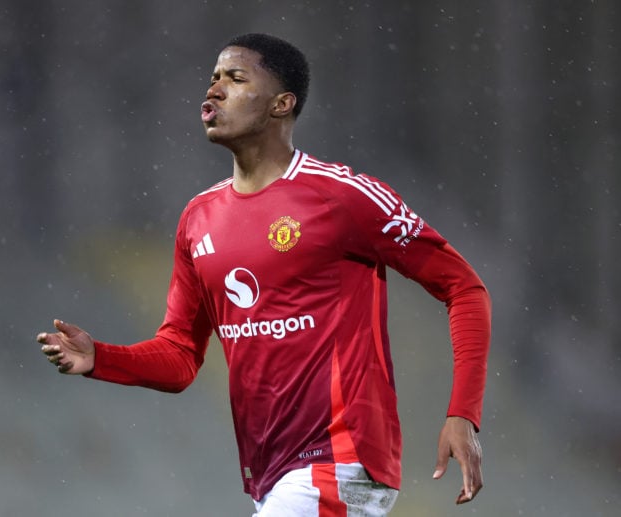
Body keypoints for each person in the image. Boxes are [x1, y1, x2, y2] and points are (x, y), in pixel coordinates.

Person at [37, 33, 491, 516]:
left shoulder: (343, 196)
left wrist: (462, 414)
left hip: (340, 461)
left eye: (235, 79)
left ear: (281, 103)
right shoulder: (198, 218)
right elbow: (179, 356)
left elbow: (463, 288)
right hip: (271, 474)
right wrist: (100, 359)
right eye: (213, 78)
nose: (213, 90)